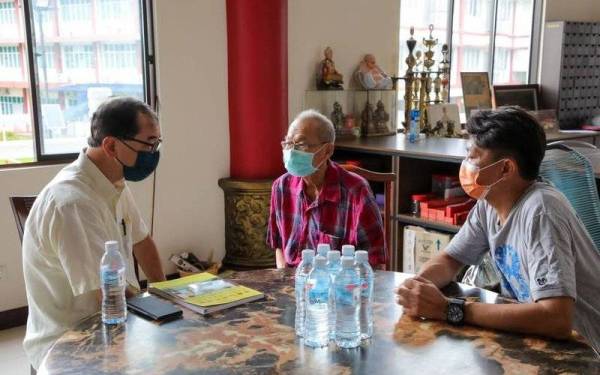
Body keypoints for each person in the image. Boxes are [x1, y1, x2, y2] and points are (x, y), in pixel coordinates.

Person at [395, 107, 600, 355]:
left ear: (506, 169)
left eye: (474, 157)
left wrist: (449, 309)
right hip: (538, 340)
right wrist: (419, 288)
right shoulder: (489, 205)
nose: (466, 165)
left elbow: (556, 318)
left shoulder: (542, 211)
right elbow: (451, 259)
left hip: (585, 350)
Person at [22, 97, 167, 371]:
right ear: (111, 145)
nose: (153, 153)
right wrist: (164, 318)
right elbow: (107, 293)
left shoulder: (112, 181)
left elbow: (142, 242)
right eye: (148, 144)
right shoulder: (73, 202)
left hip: (115, 319)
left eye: (157, 143)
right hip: (71, 343)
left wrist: (168, 293)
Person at [267, 109, 386, 268]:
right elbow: (279, 246)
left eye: (301, 144)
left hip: (340, 286)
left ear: (327, 150)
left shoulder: (355, 192)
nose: (291, 152)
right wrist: (285, 281)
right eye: (288, 144)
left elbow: (375, 261)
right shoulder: (281, 187)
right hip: (293, 284)